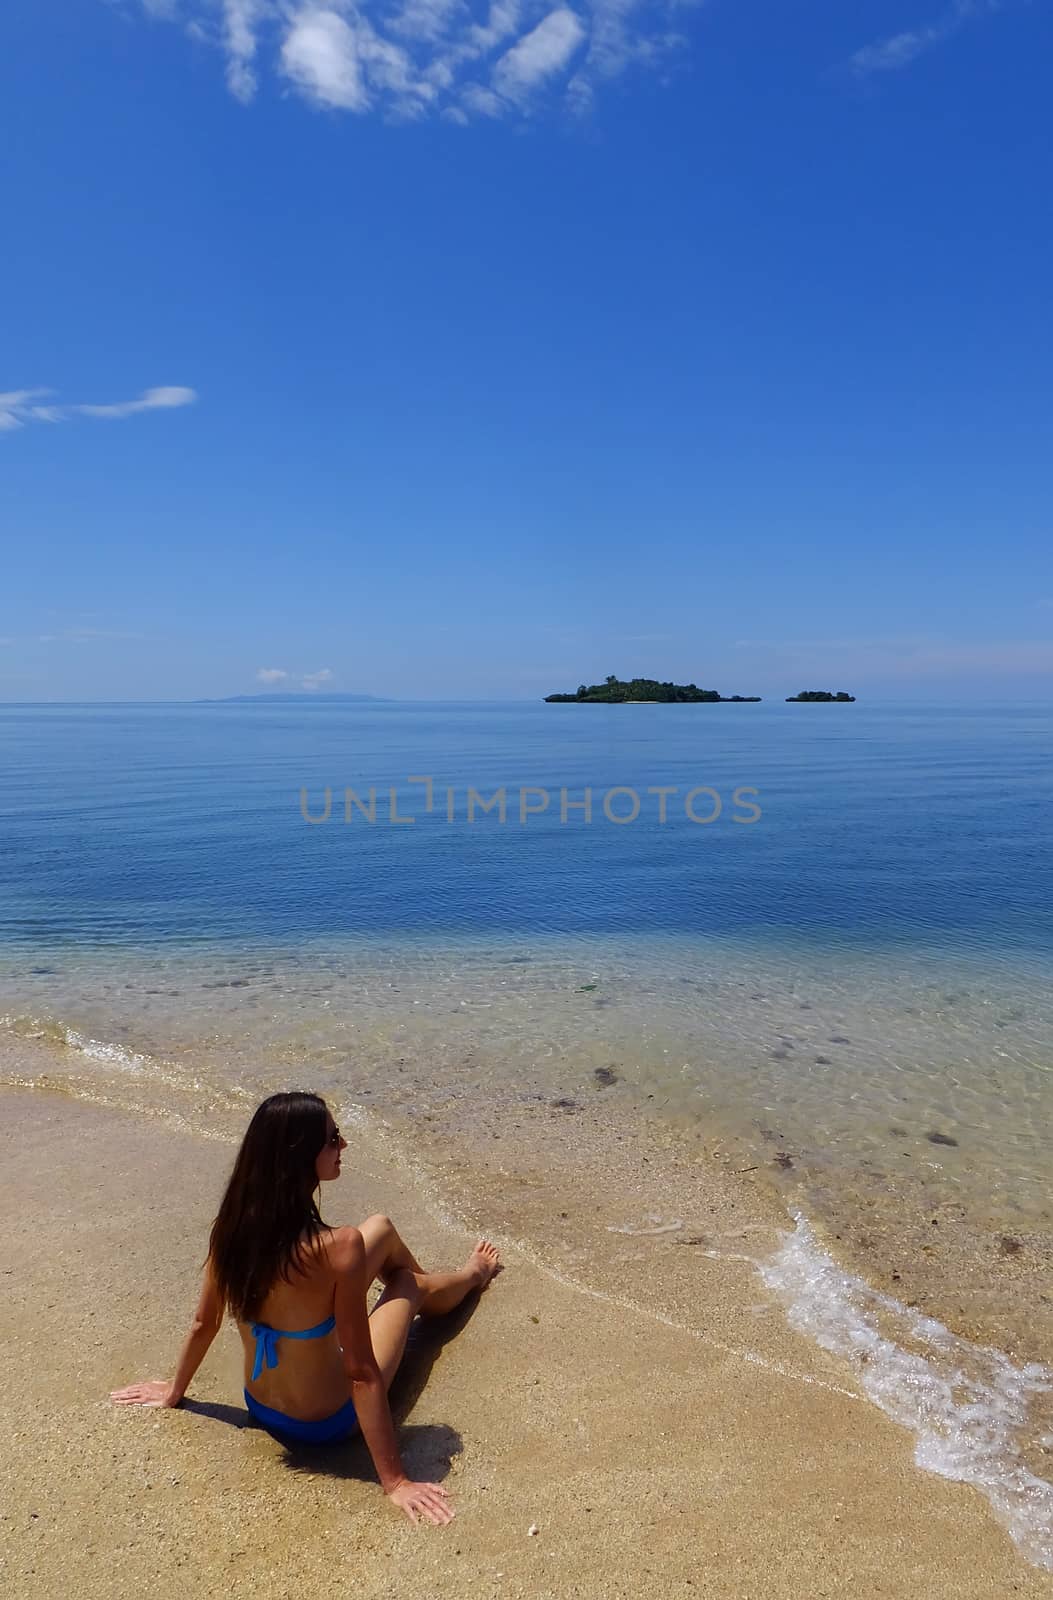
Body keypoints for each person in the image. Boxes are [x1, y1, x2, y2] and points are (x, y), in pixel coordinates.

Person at [111, 1091, 502, 1526]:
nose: (344, 1146)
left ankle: (437, 1287)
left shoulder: (230, 1232)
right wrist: (394, 1482)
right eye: (333, 1139)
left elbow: (205, 1322)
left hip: (261, 1406)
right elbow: (359, 1371)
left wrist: (173, 1392)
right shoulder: (339, 1248)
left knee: (382, 1228)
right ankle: (472, 1276)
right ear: (300, 1158)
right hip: (327, 1423)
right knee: (409, 1284)